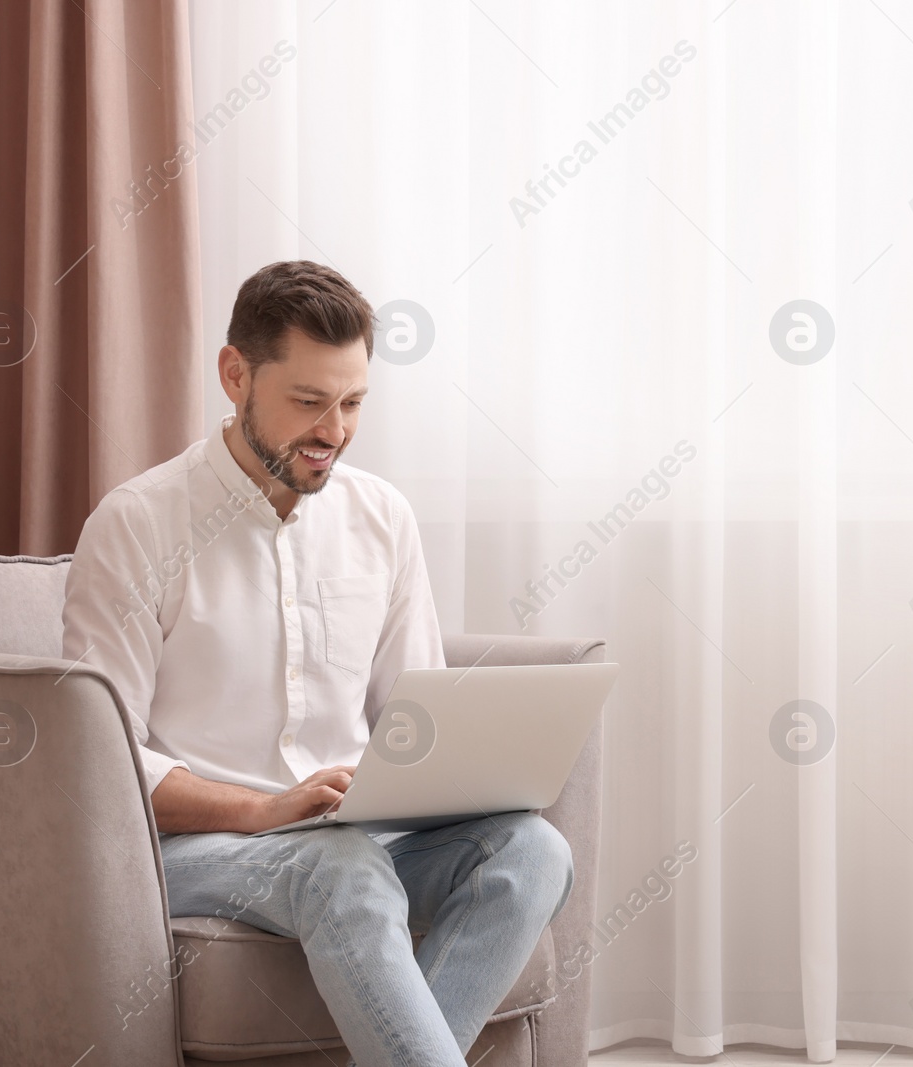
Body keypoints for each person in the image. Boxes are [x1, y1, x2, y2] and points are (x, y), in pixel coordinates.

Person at [62, 259, 572, 1065]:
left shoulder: (382, 518)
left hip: (350, 830)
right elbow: (101, 761)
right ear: (236, 375)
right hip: (195, 848)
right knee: (342, 867)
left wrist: (445, 775)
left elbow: (415, 715)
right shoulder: (137, 525)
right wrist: (262, 810)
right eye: (307, 401)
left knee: (533, 850)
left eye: (353, 402)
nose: (333, 430)